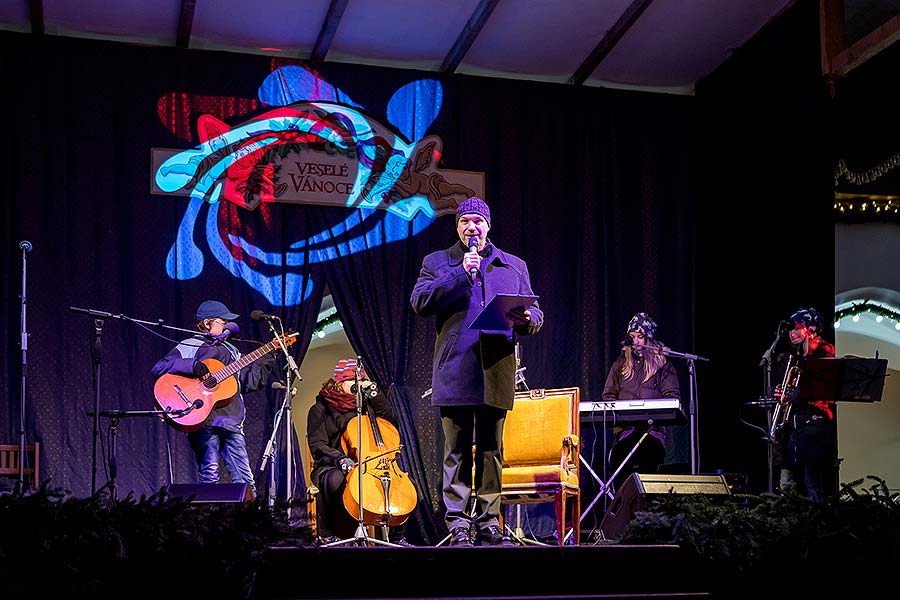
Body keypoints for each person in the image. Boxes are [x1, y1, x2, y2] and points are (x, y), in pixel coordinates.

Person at [410, 196, 543, 547]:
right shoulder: (439, 262)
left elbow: (535, 312)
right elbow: (420, 302)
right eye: (465, 221)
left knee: (490, 450)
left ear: (488, 226)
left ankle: (488, 521)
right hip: (455, 368)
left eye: (478, 222)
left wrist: (529, 319)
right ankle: (457, 523)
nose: (472, 227)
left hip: (495, 367)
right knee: (455, 451)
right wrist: (459, 273)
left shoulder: (513, 266)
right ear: (458, 227)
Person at [151, 300, 275, 498]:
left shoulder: (232, 351)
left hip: (231, 421)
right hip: (202, 419)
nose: (227, 325)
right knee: (210, 475)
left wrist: (268, 358)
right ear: (207, 323)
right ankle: (210, 524)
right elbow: (160, 367)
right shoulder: (191, 345)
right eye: (222, 321)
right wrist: (193, 366)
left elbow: (248, 382)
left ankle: (250, 526)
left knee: (245, 481)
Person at [306, 358, 411, 545]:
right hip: (333, 464)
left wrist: (375, 395)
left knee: (404, 488)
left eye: (361, 381)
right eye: (353, 382)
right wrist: (340, 459)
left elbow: (390, 420)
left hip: (370, 466)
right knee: (335, 479)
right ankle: (326, 534)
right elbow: (317, 445)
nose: (358, 386)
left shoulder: (367, 407)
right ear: (339, 383)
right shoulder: (320, 409)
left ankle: (398, 538)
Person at [602, 312, 680, 495]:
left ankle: (648, 513)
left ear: (649, 338)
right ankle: (623, 513)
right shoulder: (621, 364)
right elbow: (608, 395)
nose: (635, 341)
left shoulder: (663, 366)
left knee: (648, 462)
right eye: (632, 337)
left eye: (640, 337)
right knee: (618, 462)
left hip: (652, 435)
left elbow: (672, 398)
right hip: (626, 433)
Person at [772, 307, 836, 502]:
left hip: (814, 428)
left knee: (812, 483)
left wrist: (799, 394)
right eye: (790, 329)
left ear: (811, 329)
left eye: (797, 328)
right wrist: (779, 393)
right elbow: (784, 389)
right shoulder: (793, 358)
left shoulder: (825, 353)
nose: (792, 333)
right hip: (793, 428)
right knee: (786, 483)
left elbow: (826, 392)